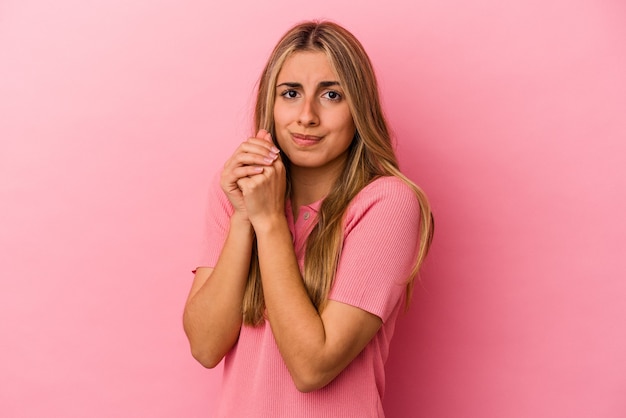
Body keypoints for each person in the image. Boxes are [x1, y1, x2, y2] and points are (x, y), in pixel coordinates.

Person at [183, 20, 434, 417]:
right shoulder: (233, 191)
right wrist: (244, 218)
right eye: (291, 93)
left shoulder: (387, 204)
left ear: (359, 109)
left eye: (332, 94)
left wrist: (268, 224)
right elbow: (205, 346)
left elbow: (312, 366)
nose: (307, 116)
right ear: (271, 102)